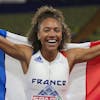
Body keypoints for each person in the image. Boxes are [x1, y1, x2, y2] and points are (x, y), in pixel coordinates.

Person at [0, 6, 100, 100]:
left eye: (56, 30)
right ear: (38, 34)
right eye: (46, 30)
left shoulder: (70, 57)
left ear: (62, 35)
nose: (52, 34)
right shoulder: (28, 54)